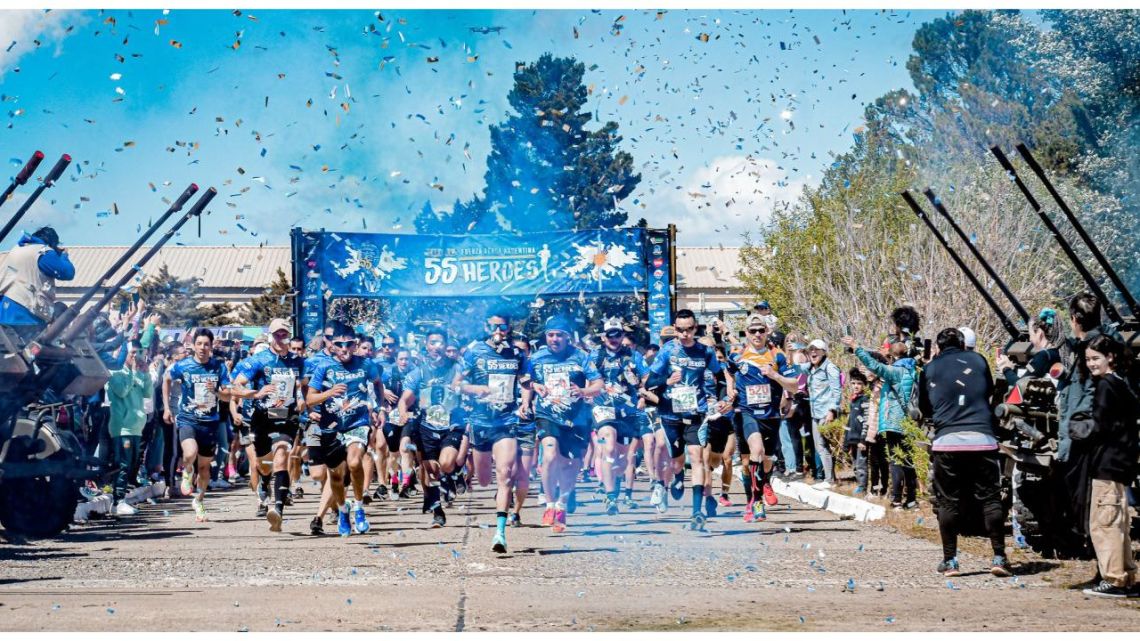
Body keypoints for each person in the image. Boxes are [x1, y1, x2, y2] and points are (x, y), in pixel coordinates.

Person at [914, 328, 1011, 578]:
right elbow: (988, 391)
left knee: (948, 501)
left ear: (938, 347)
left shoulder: (930, 368)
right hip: (983, 439)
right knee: (991, 498)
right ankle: (999, 557)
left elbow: (924, 407)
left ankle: (951, 561)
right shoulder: (978, 360)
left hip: (947, 442)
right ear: (963, 343)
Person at [645, 309, 733, 531]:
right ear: (675, 330)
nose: (685, 334)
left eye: (689, 329)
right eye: (680, 330)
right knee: (677, 461)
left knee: (697, 457)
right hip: (670, 414)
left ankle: (696, 512)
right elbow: (649, 382)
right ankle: (676, 476)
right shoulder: (667, 351)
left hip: (696, 412)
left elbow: (721, 377)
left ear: (696, 329)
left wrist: (723, 399)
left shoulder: (705, 352)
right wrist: (667, 381)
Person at [305, 321, 385, 537]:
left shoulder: (366, 364)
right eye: (339, 345)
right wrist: (328, 393)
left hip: (358, 422)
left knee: (355, 461)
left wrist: (379, 407)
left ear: (355, 344)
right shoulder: (323, 367)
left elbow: (378, 384)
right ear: (332, 345)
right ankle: (342, 510)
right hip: (331, 427)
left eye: (349, 344)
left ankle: (359, 507)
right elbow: (309, 398)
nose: (344, 349)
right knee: (337, 476)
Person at [457, 311, 527, 552]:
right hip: (480, 421)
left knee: (506, 474)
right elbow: (457, 384)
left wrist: (526, 400)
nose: (499, 331)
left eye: (504, 327)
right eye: (495, 326)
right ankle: (489, 489)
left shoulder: (517, 353)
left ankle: (500, 533)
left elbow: (526, 381)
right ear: (487, 326)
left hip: (506, 421)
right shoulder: (474, 351)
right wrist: (477, 389)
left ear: (509, 328)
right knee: (485, 480)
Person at [526, 316, 602, 534]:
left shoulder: (581, 357)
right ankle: (549, 505)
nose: (555, 339)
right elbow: (524, 380)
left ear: (567, 337)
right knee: (549, 455)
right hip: (547, 414)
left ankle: (562, 503)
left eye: (559, 335)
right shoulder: (537, 357)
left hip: (577, 417)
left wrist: (583, 391)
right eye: (551, 335)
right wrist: (535, 386)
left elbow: (599, 384)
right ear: (545, 336)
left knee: (572, 463)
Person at [230, 319, 305, 533]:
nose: (281, 339)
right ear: (271, 336)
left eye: (285, 334)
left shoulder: (297, 361)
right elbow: (236, 386)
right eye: (277, 335)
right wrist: (255, 393)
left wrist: (301, 399)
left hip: (287, 418)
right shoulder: (259, 360)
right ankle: (264, 482)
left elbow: (304, 386)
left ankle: (278, 511)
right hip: (262, 418)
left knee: (282, 455)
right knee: (263, 465)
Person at [1081, 334, 1139, 598]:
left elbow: (1100, 425)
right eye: (1088, 359)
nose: (1091, 364)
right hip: (1122, 463)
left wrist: (1081, 430)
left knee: (1104, 523)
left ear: (1110, 358)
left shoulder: (1105, 386)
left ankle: (1114, 579)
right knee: (1119, 522)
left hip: (1106, 463)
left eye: (1096, 358)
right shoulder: (1122, 385)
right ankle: (1125, 575)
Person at [725, 313, 798, 523]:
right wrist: (731, 389)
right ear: (746, 333)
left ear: (767, 332)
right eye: (752, 331)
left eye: (761, 330)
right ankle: (756, 500)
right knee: (755, 451)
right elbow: (728, 372)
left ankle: (765, 481)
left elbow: (794, 384)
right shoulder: (737, 354)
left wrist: (775, 376)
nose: (757, 334)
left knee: (767, 460)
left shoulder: (778, 355)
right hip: (746, 411)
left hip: (771, 413)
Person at [395, 327, 463, 529]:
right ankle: (437, 511)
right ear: (426, 346)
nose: (436, 347)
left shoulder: (457, 369)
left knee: (447, 462)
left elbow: (468, 387)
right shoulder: (419, 372)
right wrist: (403, 412)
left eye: (440, 343)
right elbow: (405, 398)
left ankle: (451, 476)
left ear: (446, 345)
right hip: (426, 426)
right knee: (432, 470)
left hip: (451, 424)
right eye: (432, 343)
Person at [163, 328, 233, 522]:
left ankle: (199, 501)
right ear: (193, 345)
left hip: (209, 422)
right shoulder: (183, 365)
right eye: (199, 344)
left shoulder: (218, 367)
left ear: (211, 347)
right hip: (188, 418)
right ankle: (186, 472)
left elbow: (228, 395)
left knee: (204, 468)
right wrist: (167, 408)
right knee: (190, 452)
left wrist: (217, 392)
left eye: (206, 344)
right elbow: (166, 379)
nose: (202, 348)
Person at [843, 335, 917, 508]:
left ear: (891, 358)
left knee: (896, 460)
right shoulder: (912, 370)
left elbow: (875, 366)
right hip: (907, 421)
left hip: (894, 421)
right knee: (907, 460)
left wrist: (856, 346)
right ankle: (911, 498)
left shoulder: (897, 371)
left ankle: (897, 499)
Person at [589, 318, 647, 516]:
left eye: (618, 334)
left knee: (623, 459)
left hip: (627, 411)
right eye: (610, 335)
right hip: (603, 408)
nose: (614, 338)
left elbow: (646, 378)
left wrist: (643, 395)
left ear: (623, 336)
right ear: (604, 336)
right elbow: (582, 375)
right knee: (609, 447)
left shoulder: (633, 355)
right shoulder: (595, 355)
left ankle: (613, 480)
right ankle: (610, 495)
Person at [106, 340, 153, 516]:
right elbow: (122, 391)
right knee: (123, 464)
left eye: (137, 353)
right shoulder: (115, 372)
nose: (135, 356)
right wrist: (133, 372)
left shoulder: (137, 372)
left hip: (136, 427)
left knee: (132, 464)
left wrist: (146, 374)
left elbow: (147, 393)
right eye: (132, 353)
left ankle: (121, 498)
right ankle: (117, 501)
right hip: (122, 428)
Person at [0, 226, 75, 332]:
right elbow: (68, 272)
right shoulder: (44, 252)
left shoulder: (17, 249)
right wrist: (63, 256)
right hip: (26, 314)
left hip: (5, 310)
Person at [800, 339, 841, 488]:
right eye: (810, 349)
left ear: (824, 352)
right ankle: (830, 478)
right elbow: (795, 367)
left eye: (816, 349)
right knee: (820, 446)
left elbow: (836, 392)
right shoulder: (810, 368)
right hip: (815, 413)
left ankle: (830, 479)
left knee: (825, 445)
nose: (813, 352)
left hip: (826, 413)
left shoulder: (830, 368)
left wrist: (832, 411)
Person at [843, 368, 871, 495]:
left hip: (860, 439)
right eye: (853, 383)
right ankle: (859, 484)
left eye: (859, 383)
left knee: (861, 464)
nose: (856, 386)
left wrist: (863, 440)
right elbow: (850, 422)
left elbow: (866, 421)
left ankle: (862, 486)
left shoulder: (865, 400)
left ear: (864, 385)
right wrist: (846, 441)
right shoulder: (853, 400)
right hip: (852, 438)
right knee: (855, 464)